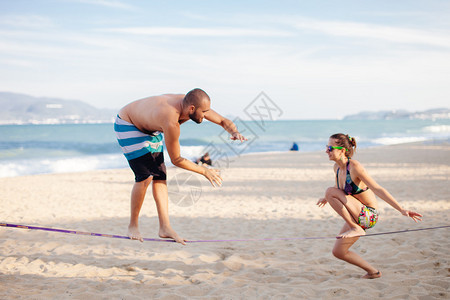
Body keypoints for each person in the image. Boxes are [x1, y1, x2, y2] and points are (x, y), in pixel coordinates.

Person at [115, 88, 246, 244]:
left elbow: (223, 121)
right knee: (146, 176)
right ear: (191, 109)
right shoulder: (171, 120)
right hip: (128, 123)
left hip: (151, 128)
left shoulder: (193, 103)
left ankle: (165, 227)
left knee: (160, 176)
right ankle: (133, 226)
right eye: (203, 112)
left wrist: (235, 131)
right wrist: (204, 171)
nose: (205, 116)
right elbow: (176, 159)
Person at [317, 133, 422, 279]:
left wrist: (401, 209)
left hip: (368, 215)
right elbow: (339, 189)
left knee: (330, 191)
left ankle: (356, 228)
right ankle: (373, 272)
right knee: (338, 252)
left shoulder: (354, 167)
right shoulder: (336, 168)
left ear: (341, 150)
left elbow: (378, 189)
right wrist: (327, 197)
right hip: (356, 215)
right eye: (326, 147)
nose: (326, 151)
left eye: (330, 148)